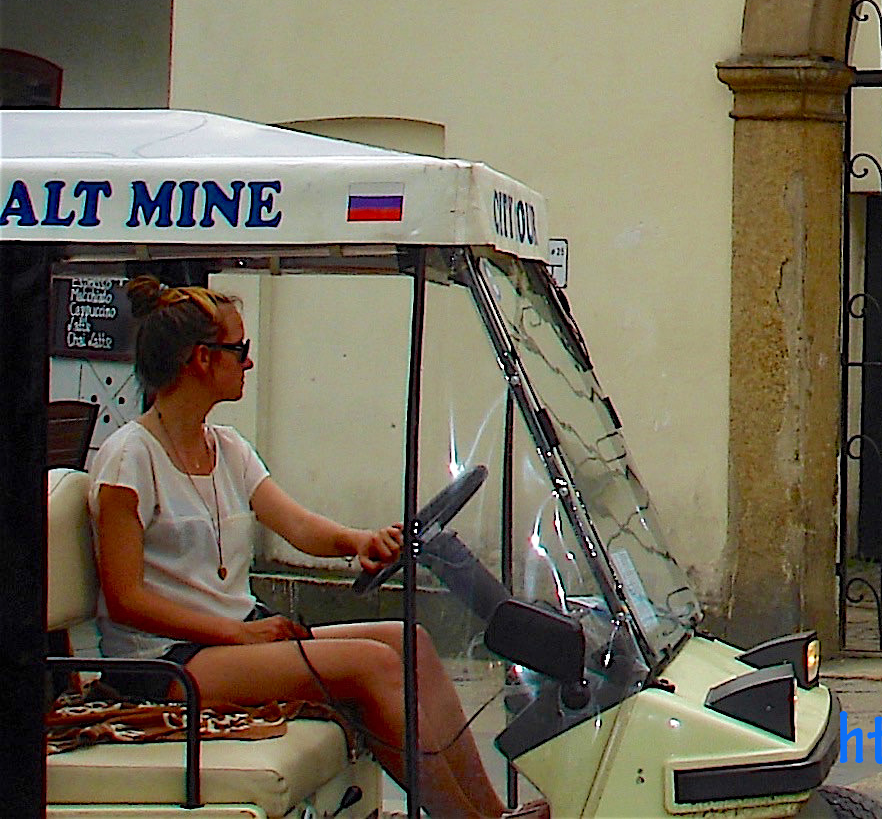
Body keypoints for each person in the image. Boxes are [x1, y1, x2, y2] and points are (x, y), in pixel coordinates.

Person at [88, 277, 544, 819]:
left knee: (411, 642)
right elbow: (125, 600)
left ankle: (492, 813)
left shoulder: (227, 448)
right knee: (371, 664)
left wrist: (361, 542)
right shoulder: (129, 459)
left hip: (232, 640)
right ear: (201, 359)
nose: (248, 362)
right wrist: (238, 633)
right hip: (166, 664)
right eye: (239, 349)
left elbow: (298, 527)